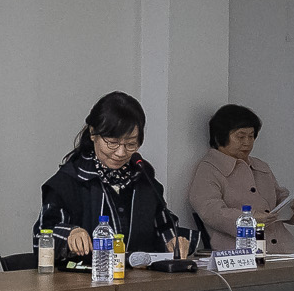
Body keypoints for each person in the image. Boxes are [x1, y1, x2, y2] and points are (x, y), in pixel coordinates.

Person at [38, 91, 190, 266]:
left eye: (131, 144)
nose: (121, 152)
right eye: (112, 142)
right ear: (93, 133)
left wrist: (174, 240)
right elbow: (42, 235)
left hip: (138, 282)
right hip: (83, 285)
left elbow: (164, 224)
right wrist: (70, 234)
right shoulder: (68, 181)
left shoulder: (142, 177)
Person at [188, 103, 294, 253]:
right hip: (239, 251)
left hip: (282, 247)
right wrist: (249, 219)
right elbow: (210, 211)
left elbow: (280, 199)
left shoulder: (261, 166)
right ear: (220, 137)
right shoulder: (209, 169)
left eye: (251, 136)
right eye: (240, 136)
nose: (247, 142)